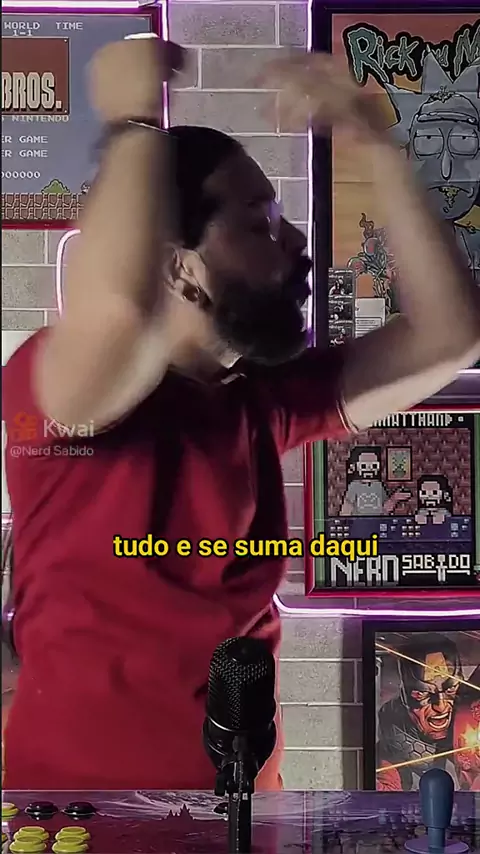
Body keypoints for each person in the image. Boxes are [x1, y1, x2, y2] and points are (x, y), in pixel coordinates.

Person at [2, 38, 479, 791]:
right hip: (73, 825)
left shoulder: (264, 399)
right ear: (178, 266)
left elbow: (450, 333)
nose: (297, 244)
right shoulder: (57, 388)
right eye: (260, 224)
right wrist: (132, 125)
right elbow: (120, 318)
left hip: (242, 819)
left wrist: (377, 144)